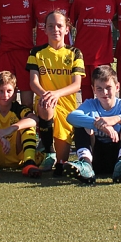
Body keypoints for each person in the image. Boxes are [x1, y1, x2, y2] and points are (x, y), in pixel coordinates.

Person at [64, 65, 121, 184]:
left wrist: (115, 119)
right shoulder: (90, 104)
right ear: (93, 89)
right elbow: (71, 117)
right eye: (99, 88)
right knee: (80, 124)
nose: (104, 92)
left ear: (117, 87)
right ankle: (85, 165)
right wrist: (100, 125)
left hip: (117, 155)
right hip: (95, 158)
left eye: (108, 87)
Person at [28, 10, 85, 175]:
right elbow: (33, 82)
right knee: (46, 105)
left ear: (67, 29)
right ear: (44, 29)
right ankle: (48, 150)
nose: (55, 29)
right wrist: (46, 95)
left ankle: (51, 150)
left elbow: (77, 85)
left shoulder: (75, 53)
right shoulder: (36, 53)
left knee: (61, 164)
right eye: (50, 26)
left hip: (66, 106)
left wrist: (56, 94)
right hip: (44, 101)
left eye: (59, 26)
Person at [0, 0, 36, 108]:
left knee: (27, 100)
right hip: (6, 52)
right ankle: (8, 122)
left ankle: (27, 122)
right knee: (5, 97)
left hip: (25, 53)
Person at [70, 0, 115, 102]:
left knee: (106, 91)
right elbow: (71, 23)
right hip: (84, 55)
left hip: (103, 55)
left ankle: (107, 115)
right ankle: (88, 116)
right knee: (86, 93)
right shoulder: (80, 0)